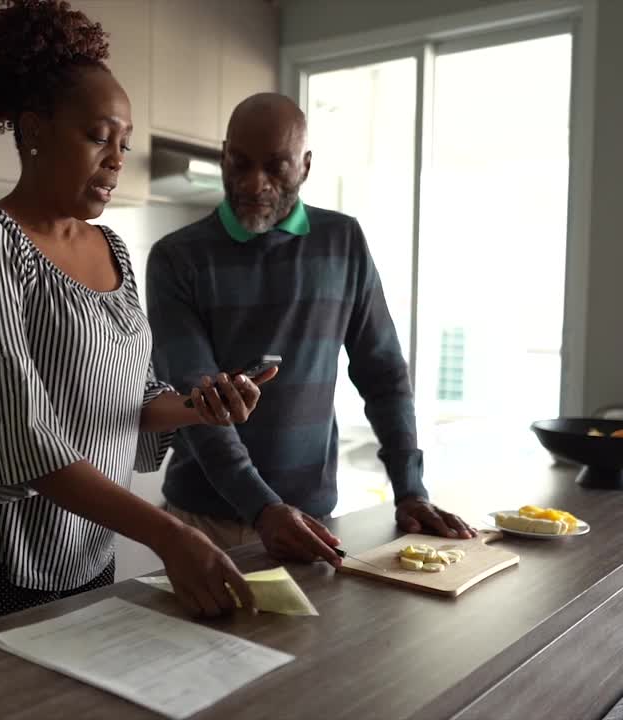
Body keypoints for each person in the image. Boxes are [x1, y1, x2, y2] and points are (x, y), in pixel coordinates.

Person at [0, 0, 274, 630]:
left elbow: (133, 396)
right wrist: (169, 534)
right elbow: (22, 434)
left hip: (91, 546)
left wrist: (200, 404)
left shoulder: (112, 248)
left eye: (125, 143)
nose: (117, 159)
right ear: (33, 130)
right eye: (97, 136)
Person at [146, 93, 475, 567]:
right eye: (239, 163)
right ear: (223, 155)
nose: (254, 183)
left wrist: (410, 489)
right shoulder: (177, 258)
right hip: (205, 520)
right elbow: (198, 399)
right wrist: (263, 508)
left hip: (313, 517)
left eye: (275, 166)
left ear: (305, 166)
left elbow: (382, 374)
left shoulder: (343, 243)